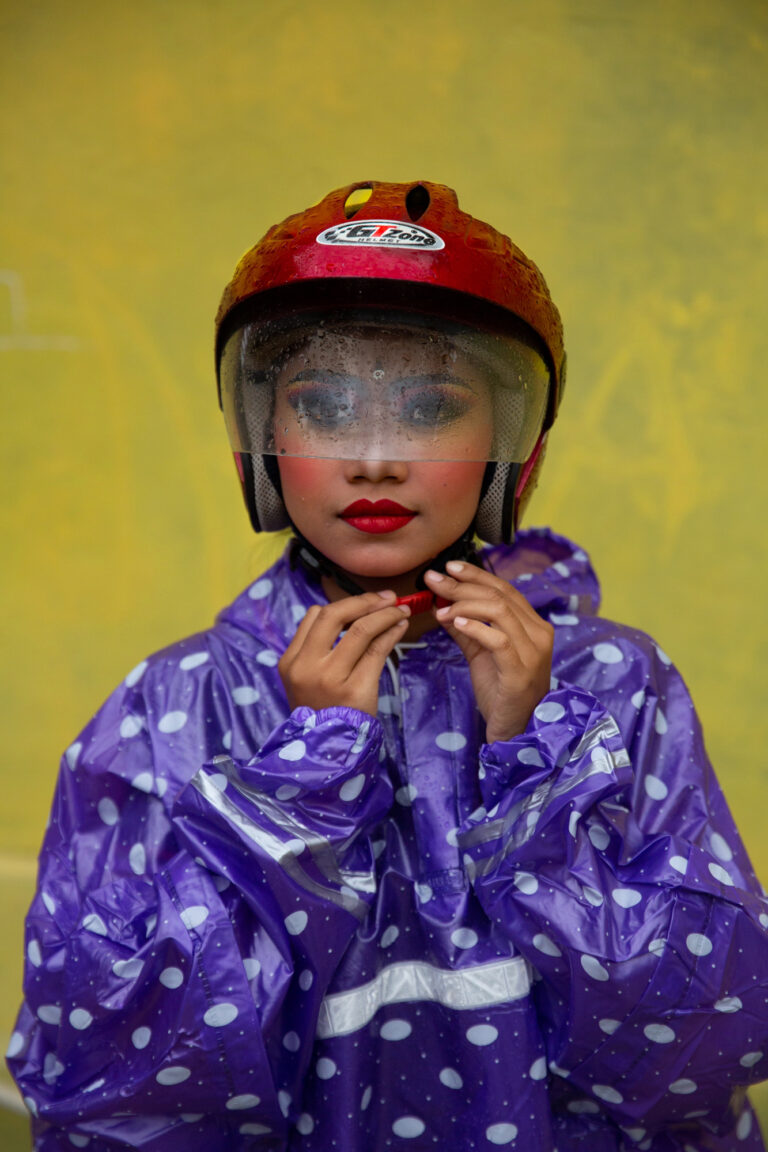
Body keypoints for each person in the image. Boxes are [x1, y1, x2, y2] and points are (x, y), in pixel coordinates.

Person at [7, 181, 768, 1151]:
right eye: (323, 407)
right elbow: (120, 1082)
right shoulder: (175, 704)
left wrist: (535, 760)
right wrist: (295, 790)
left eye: (428, 409)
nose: (373, 458)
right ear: (263, 442)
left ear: (511, 448)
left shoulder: (615, 685)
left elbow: (697, 1051)